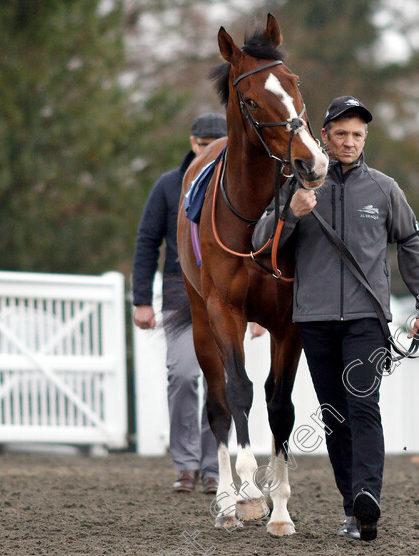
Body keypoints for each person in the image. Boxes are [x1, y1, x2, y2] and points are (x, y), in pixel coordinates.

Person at [252, 96, 419, 541]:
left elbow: (413, 245)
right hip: (314, 319)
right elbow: (262, 244)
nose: (349, 142)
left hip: (366, 318)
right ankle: (351, 508)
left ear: (365, 138)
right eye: (341, 134)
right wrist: (292, 216)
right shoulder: (296, 189)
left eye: (357, 134)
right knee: (334, 415)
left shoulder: (384, 189)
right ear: (324, 137)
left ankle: (367, 498)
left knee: (363, 405)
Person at [133, 113, 267, 494]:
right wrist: (142, 299)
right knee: (182, 375)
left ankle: (214, 466)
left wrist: (260, 311)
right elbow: (147, 242)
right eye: (202, 143)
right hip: (183, 290)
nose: (209, 149)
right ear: (192, 143)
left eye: (216, 141)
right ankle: (186, 463)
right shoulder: (168, 186)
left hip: (230, 294)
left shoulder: (242, 187)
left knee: (224, 379)